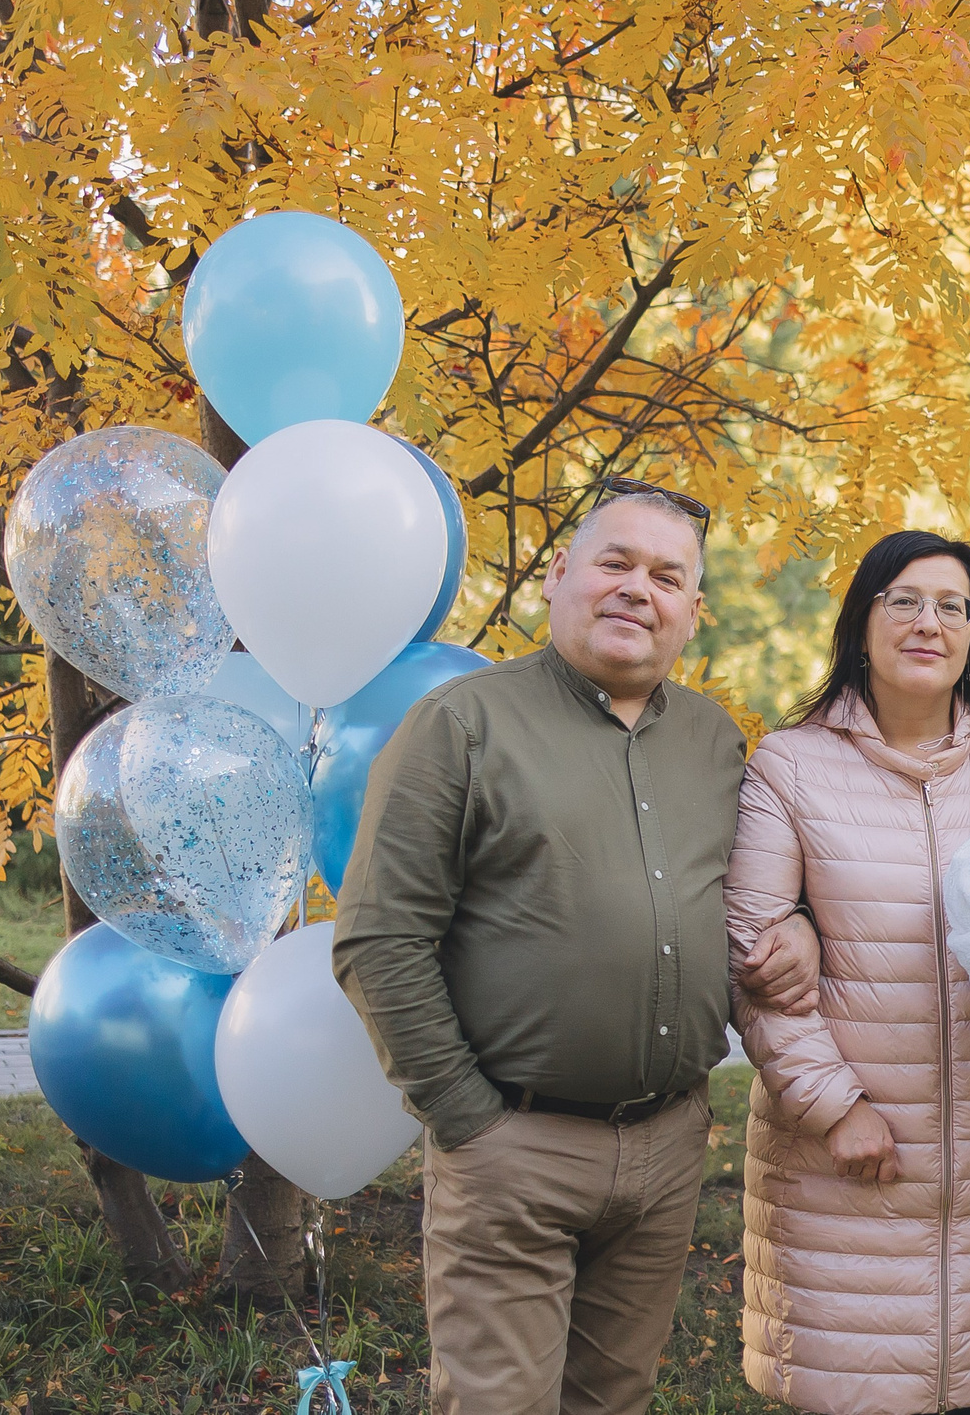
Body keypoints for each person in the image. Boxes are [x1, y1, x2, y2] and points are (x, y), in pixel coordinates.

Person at [333, 480, 742, 1415]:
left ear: (690, 611)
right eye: (617, 562)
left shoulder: (717, 744)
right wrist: (468, 1117)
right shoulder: (460, 725)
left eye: (668, 576)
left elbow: (745, 906)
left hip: (668, 1146)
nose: (640, 588)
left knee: (615, 1400)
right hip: (512, 1148)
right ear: (560, 575)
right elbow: (379, 937)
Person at [725, 531, 970, 1415]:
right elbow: (753, 959)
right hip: (847, 1158)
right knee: (857, 1389)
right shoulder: (790, 766)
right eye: (904, 599)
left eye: (953, 604)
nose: (929, 621)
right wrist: (835, 1105)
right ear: (862, 621)